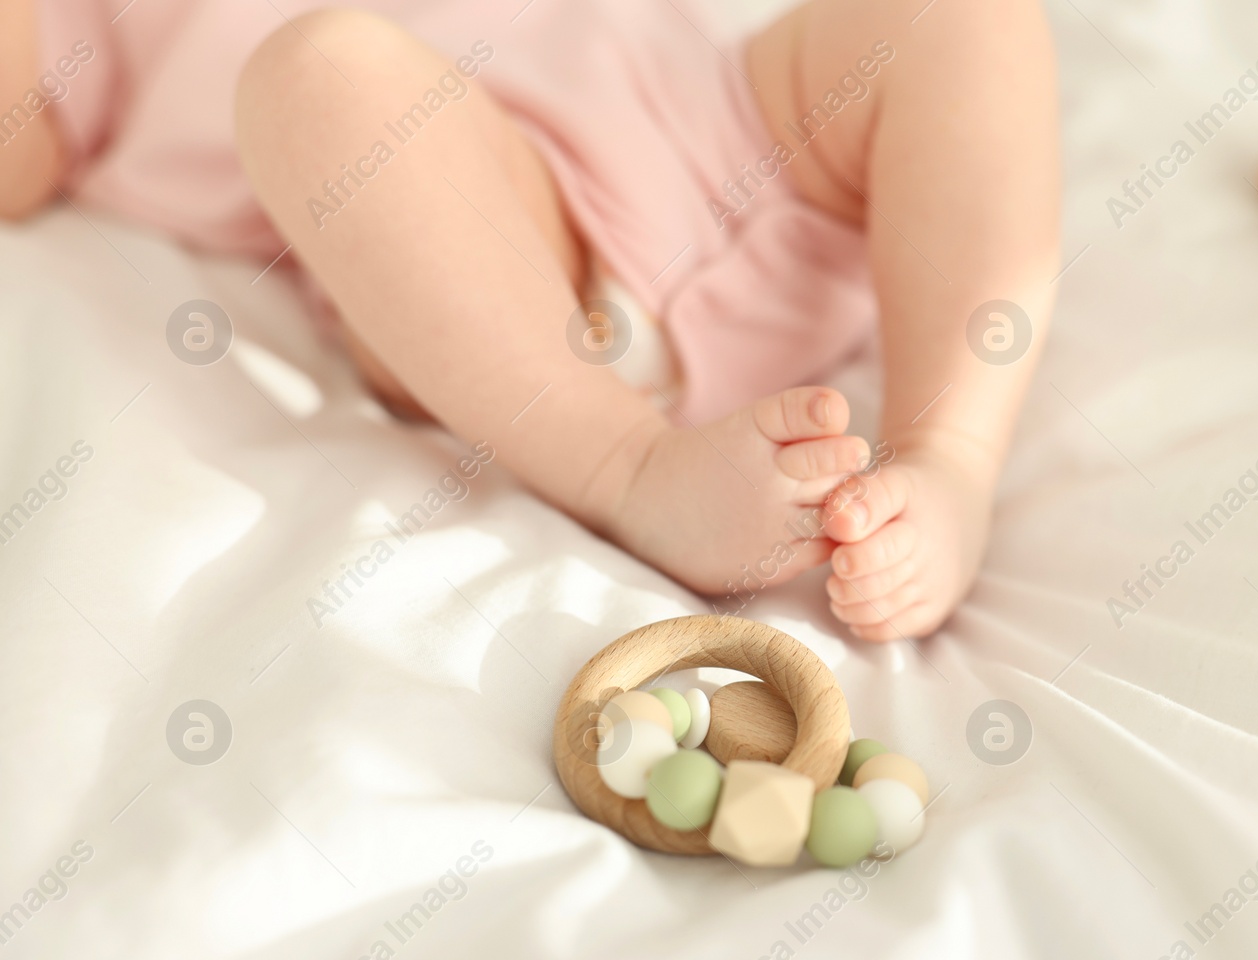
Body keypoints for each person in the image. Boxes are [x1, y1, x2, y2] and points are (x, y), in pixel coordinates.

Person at [0, 0, 1059, 640]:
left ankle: (948, 453)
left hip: (721, 131)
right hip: (500, 251)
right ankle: (634, 470)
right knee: (321, 75)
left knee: (958, 15)